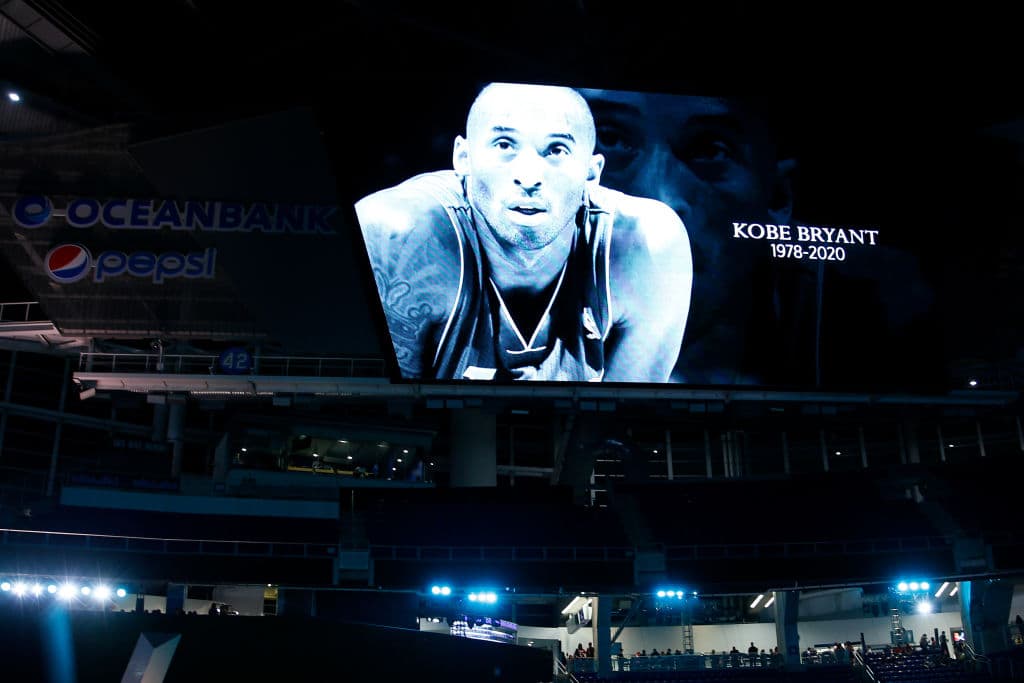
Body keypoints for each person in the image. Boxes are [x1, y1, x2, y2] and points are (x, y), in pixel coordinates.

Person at [576, 87, 937, 390]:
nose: (664, 202)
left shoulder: (875, 323)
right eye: (610, 138)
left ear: (778, 196)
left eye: (710, 150)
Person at [356, 82, 692, 382]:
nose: (529, 176)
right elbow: (385, 412)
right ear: (463, 157)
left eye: (556, 150)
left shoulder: (647, 245)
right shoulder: (400, 233)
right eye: (505, 145)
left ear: (592, 173)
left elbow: (618, 423)